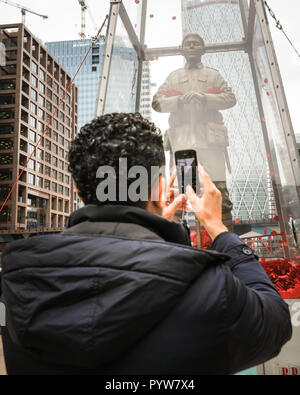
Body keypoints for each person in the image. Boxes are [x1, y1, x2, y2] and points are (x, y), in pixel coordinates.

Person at [1, 113, 292, 375]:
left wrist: (156, 231)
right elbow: (276, 323)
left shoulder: (15, 284)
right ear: (159, 188)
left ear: (78, 191)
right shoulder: (209, 287)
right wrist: (218, 228)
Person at [152, 33, 236, 231]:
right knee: (183, 192)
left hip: (211, 143)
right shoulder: (174, 77)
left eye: (196, 44)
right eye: (188, 44)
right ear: (182, 49)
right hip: (184, 144)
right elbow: (157, 102)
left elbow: (230, 98)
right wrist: (179, 101)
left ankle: (226, 239)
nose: (192, 46)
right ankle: (174, 240)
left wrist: (205, 98)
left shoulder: (213, 76)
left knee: (219, 192)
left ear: (203, 49)